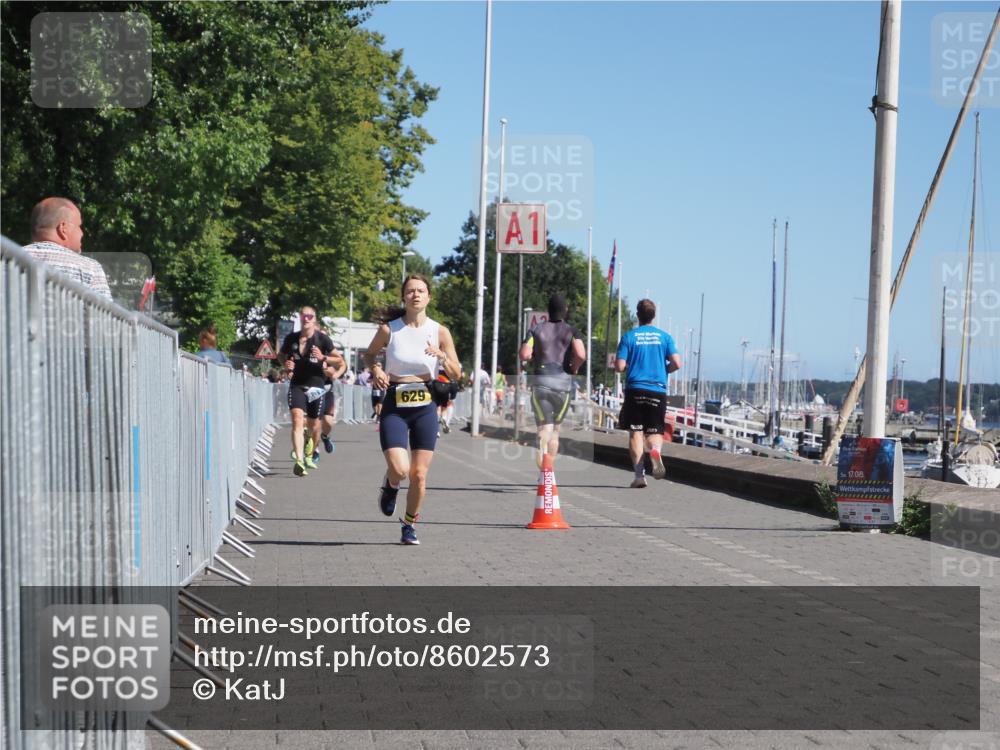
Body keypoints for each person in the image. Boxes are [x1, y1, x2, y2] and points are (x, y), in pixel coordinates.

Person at [364, 274, 461, 545]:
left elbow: (457, 372)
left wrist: (442, 357)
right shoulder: (390, 330)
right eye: (410, 291)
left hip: (425, 406)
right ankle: (391, 484)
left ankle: (409, 524)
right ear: (403, 297)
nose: (415, 295)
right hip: (395, 404)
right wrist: (376, 368)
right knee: (400, 469)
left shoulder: (439, 331)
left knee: (419, 475)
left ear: (429, 297)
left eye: (421, 291)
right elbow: (369, 354)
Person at [614, 299, 682, 488]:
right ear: (653, 316)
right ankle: (655, 450)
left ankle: (639, 476)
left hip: (635, 388)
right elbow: (677, 363)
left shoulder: (629, 337)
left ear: (638, 315)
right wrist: (663, 370)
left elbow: (619, 366)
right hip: (657, 389)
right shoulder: (665, 337)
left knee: (636, 431)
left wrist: (629, 366)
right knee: (655, 430)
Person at [519, 294, 586, 467]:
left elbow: (525, 354)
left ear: (548, 310)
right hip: (563, 384)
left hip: (542, 382)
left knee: (544, 427)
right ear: (565, 311)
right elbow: (581, 354)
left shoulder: (536, 329)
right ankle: (548, 471)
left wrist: (533, 357)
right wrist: (574, 368)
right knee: (555, 430)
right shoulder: (572, 331)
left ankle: (542, 445)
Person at [277, 306, 339, 477]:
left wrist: (323, 358)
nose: (307, 319)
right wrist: (286, 365)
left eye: (310, 316)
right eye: (304, 316)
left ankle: (309, 448)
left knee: (313, 425)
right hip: (296, 384)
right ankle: (299, 460)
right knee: (297, 420)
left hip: (316, 386)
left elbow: (340, 361)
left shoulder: (322, 339)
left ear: (314, 318)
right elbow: (281, 355)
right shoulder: (292, 338)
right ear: (300, 317)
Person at [23, 197, 112, 301]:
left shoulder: (9, 258)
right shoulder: (89, 268)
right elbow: (104, 314)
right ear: (63, 228)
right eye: (79, 226)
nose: (82, 233)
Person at [319, 346, 347, 455]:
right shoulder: (307, 351)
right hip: (311, 390)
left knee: (328, 422)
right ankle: (313, 450)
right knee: (314, 423)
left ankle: (325, 436)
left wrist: (335, 374)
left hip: (327, 391)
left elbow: (342, 364)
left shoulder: (328, 355)